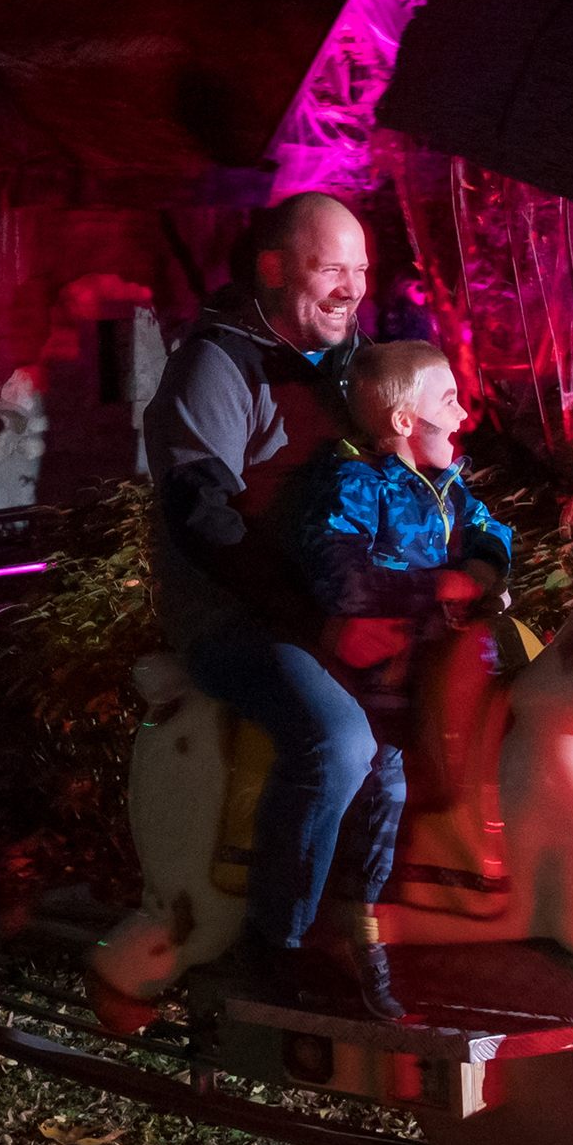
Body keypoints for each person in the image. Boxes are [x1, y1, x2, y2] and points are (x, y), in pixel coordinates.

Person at [142, 191, 405, 1014]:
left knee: (428, 711)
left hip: (331, 600)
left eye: (360, 270)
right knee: (335, 736)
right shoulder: (217, 365)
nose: (351, 288)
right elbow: (202, 514)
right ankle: (276, 942)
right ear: (270, 269)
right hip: (240, 613)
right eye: (331, 268)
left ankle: (362, 929)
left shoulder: (344, 361)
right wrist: (315, 617)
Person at [290, 341, 513, 1017]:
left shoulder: (449, 484)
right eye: (448, 401)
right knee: (384, 780)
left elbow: (490, 530)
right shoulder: (357, 483)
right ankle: (358, 935)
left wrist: (479, 568)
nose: (464, 413)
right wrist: (428, 587)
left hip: (446, 657)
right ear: (402, 419)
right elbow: (338, 571)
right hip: (381, 668)